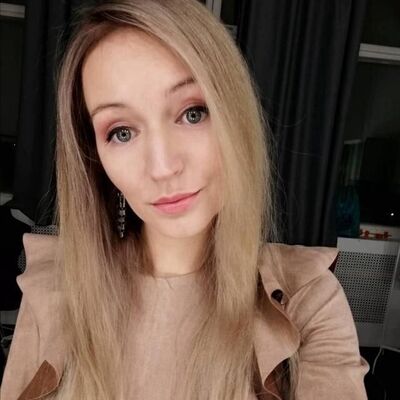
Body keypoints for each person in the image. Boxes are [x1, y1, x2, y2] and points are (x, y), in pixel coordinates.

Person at [0, 1, 369, 399]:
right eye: (122, 132)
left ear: (234, 115)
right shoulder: (55, 290)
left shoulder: (306, 299)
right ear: (95, 157)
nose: (163, 166)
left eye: (193, 113)